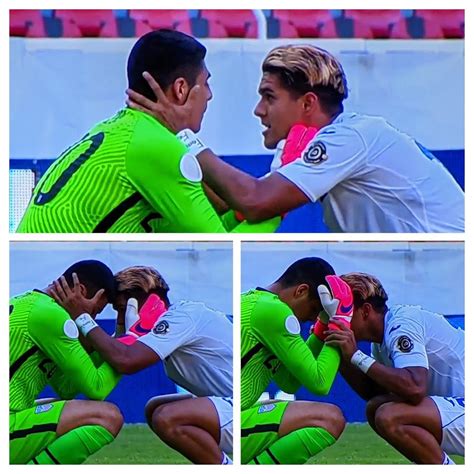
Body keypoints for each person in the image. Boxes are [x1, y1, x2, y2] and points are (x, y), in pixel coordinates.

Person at [128, 44, 464, 233]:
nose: (258, 110)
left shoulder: (348, 137)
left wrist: (183, 134)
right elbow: (235, 204)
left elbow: (256, 202)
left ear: (307, 103)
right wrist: (174, 144)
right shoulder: (310, 141)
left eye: (269, 97)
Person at [17, 29, 278, 234]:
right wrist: (283, 199)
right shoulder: (158, 146)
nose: (210, 95)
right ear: (181, 89)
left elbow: (214, 213)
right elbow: (226, 250)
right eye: (206, 83)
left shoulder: (117, 129)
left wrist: (251, 209)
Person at [52, 265, 233, 465]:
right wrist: (119, 333)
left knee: (168, 417)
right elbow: (117, 352)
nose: (120, 319)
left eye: (122, 310)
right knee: (155, 407)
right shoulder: (173, 321)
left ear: (143, 299)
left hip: (245, 406)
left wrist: (82, 318)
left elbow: (126, 360)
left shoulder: (181, 317)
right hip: (231, 403)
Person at [323, 272, 464, 464]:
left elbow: (414, 388)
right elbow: (375, 393)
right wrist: (343, 356)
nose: (338, 320)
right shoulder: (381, 341)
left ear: (365, 310)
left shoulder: (402, 324)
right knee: (377, 408)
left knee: (390, 416)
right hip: (460, 409)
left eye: (344, 313)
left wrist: (356, 355)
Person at [240, 257, 353, 464]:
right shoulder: (276, 312)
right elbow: (320, 383)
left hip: (219, 415)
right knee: (330, 418)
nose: (312, 318)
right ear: (301, 291)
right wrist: (340, 321)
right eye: (314, 310)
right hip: (225, 420)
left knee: (281, 404)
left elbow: (288, 382)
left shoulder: (256, 302)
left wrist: (321, 329)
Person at [9, 260, 123, 464]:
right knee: (108, 416)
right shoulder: (52, 316)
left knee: (65, 406)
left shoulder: (27, 303)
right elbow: (96, 388)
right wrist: (124, 348)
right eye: (95, 311)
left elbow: (66, 389)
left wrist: (101, 344)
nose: (93, 317)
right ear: (80, 290)